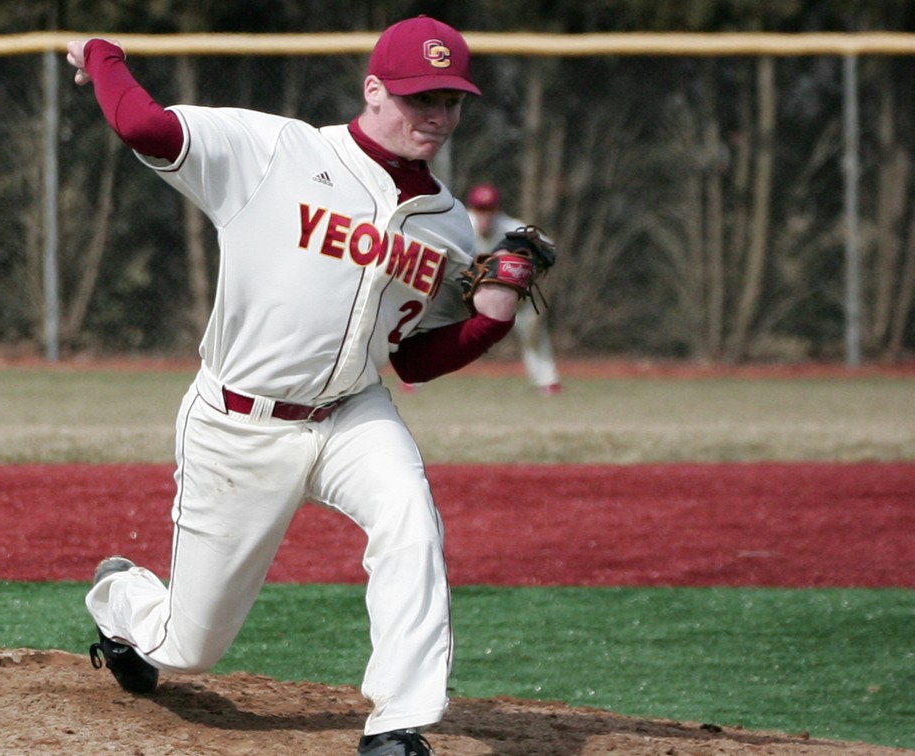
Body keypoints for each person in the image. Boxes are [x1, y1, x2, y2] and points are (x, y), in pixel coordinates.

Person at [67, 17, 542, 756]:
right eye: (420, 98)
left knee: (411, 522)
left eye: (450, 100)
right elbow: (142, 126)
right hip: (238, 420)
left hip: (352, 411)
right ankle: (122, 596)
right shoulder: (279, 151)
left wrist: (493, 319)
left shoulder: (450, 226)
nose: (437, 116)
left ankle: (397, 724)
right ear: (374, 89)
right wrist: (102, 56)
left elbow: (414, 361)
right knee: (188, 646)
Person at [466, 184, 562, 395]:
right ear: (471, 209)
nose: (485, 216)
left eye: (489, 209)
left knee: (532, 328)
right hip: (469, 294)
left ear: (497, 210)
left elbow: (547, 246)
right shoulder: (461, 226)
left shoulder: (510, 227)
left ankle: (548, 381)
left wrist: (527, 263)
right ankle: (413, 380)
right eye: (480, 209)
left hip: (512, 296)